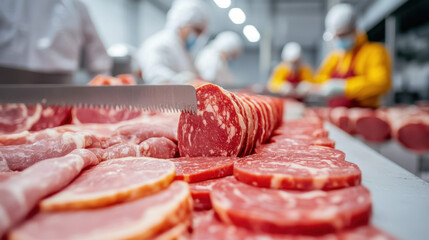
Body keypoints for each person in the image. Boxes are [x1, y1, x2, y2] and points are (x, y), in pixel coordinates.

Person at [0, 0, 111, 84]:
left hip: (60, 89)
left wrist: (103, 87)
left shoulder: (75, 5)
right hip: (7, 86)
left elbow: (99, 61)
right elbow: (98, 61)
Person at [316, 3, 391, 108]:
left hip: (364, 117)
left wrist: (344, 87)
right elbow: (320, 79)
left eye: (342, 35)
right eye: (336, 37)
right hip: (336, 115)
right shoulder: (336, 57)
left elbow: (381, 83)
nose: (339, 40)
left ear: (354, 30)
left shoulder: (374, 52)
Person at [137, 0, 208, 84]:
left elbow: (196, 76)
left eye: (200, 33)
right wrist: (183, 80)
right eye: (196, 30)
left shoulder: (184, 50)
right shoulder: (160, 44)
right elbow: (155, 75)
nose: (197, 36)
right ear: (183, 23)